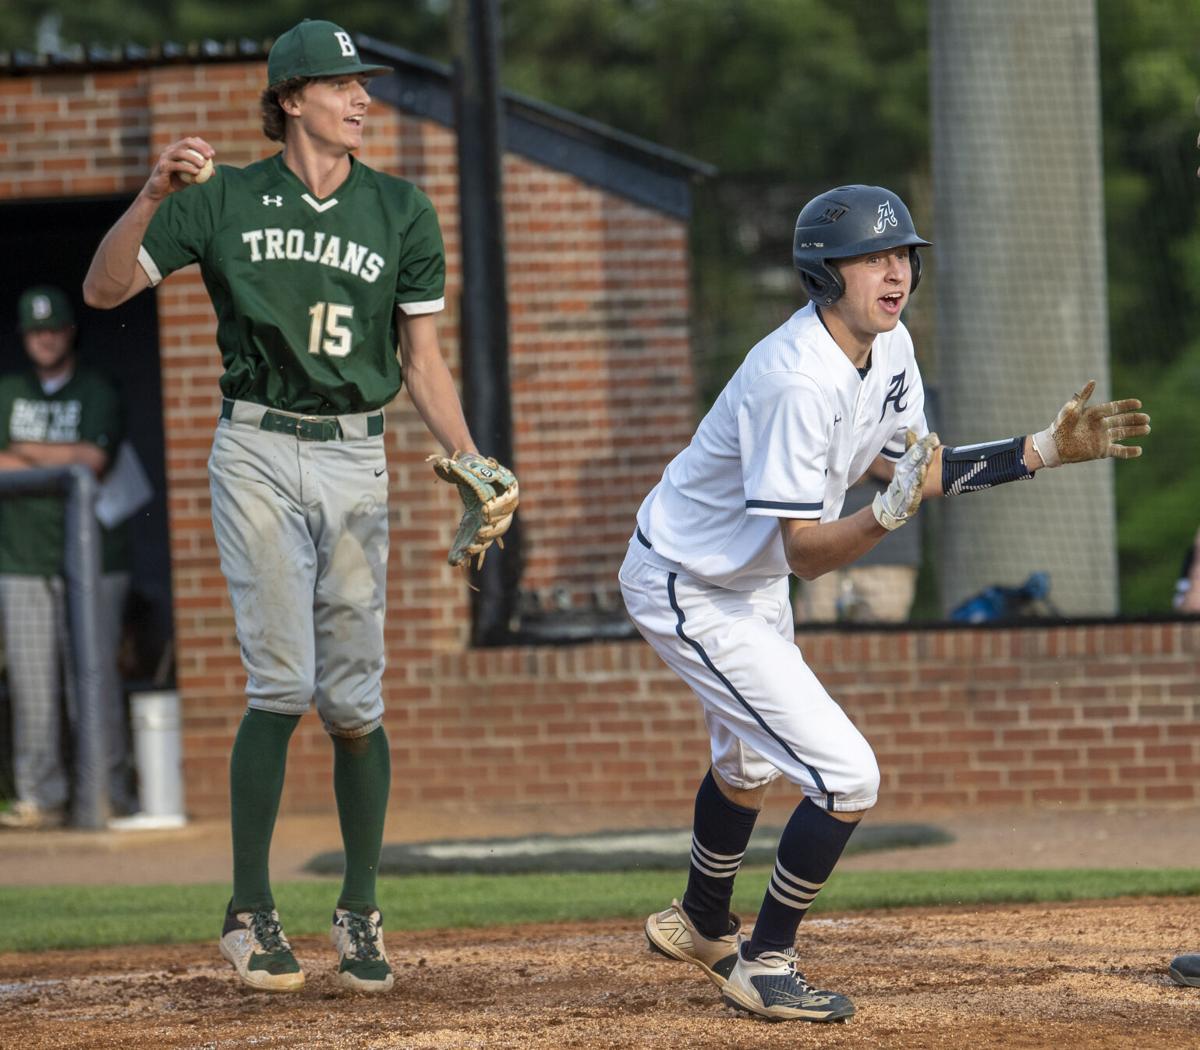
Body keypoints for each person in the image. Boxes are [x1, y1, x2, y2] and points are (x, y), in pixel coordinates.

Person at [619, 184, 1150, 1023]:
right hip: (689, 581)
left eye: (902, 254)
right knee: (846, 776)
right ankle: (766, 962)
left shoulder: (891, 348)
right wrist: (882, 518)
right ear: (825, 274)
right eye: (873, 257)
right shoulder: (795, 377)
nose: (895, 271)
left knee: (750, 764)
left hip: (743, 575)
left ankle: (699, 920)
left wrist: (1039, 451)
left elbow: (912, 470)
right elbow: (809, 553)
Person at [83, 18, 513, 994]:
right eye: (340, 84)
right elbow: (105, 288)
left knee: (355, 698)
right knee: (281, 683)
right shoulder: (223, 195)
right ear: (289, 99)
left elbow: (422, 362)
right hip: (259, 448)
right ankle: (249, 911)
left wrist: (471, 455)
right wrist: (153, 192)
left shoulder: (401, 209)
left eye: (363, 83)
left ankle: (360, 908)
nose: (362, 97)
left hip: (359, 456)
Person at [0, 285, 133, 830]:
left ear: (70, 331)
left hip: (95, 561)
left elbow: (92, 459)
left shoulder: (96, 387)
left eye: (53, 327)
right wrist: (59, 459)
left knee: (94, 684)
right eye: (35, 330)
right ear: (24, 337)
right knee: (33, 689)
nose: (45, 338)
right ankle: (41, 797)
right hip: (22, 556)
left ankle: (107, 794)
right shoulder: (8, 389)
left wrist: (20, 452)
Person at [795, 457, 920, 623]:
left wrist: (847, 461)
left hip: (889, 556)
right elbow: (800, 468)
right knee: (815, 638)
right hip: (822, 553)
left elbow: (920, 471)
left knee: (882, 644)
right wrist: (872, 461)